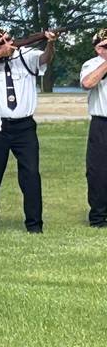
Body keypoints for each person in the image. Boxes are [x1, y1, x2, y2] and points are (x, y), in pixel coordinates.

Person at [0, 25, 57, 233]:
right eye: (1, 41)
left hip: (24, 125)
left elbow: (44, 59)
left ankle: (35, 225)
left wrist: (50, 43)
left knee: (31, 174)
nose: (8, 44)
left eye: (9, 39)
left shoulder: (25, 54)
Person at [79, 28, 107, 228]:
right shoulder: (92, 64)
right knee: (98, 171)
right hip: (102, 124)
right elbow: (88, 83)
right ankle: (98, 216)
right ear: (98, 48)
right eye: (105, 46)